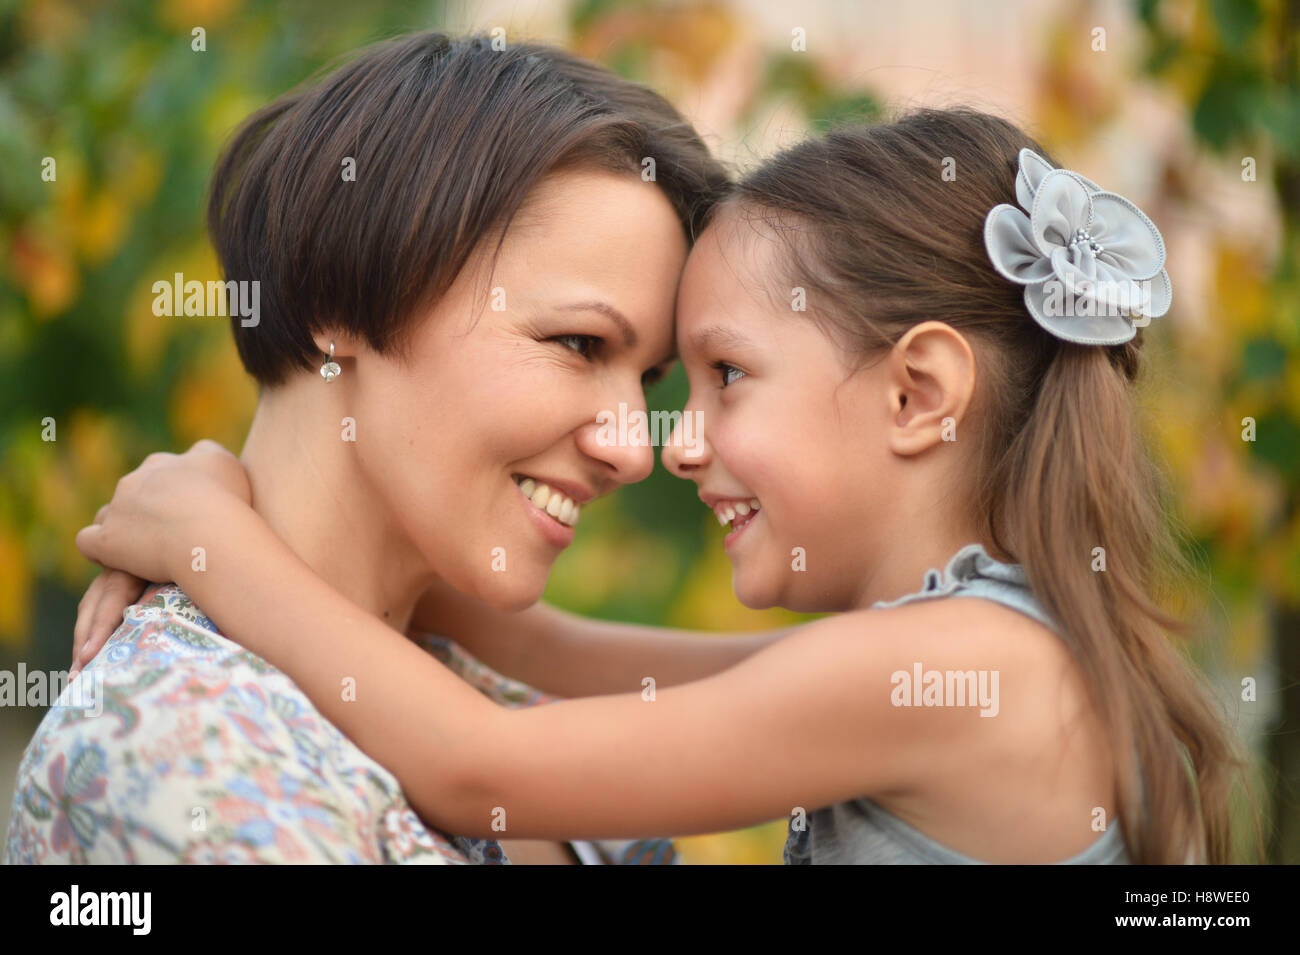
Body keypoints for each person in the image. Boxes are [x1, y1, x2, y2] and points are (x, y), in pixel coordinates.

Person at [63, 108, 1258, 864]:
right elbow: (579, 651)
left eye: (724, 374)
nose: (666, 447)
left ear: (915, 394)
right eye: (590, 348)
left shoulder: (950, 670)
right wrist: (269, 521)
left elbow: (482, 770)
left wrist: (218, 541)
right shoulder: (976, 653)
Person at [3, 30, 737, 865]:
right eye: (578, 343)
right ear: (339, 301)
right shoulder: (180, 759)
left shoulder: (486, 681)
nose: (633, 450)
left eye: (647, 381)